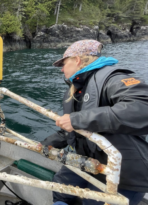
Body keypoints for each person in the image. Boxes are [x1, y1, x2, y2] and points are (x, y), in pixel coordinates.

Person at [41, 39, 148, 205]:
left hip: (123, 172)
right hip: (89, 159)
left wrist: (77, 119)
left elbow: (142, 107)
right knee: (61, 189)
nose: (62, 69)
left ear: (76, 60)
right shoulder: (77, 89)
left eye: (63, 63)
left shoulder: (113, 78)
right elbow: (75, 129)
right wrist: (44, 145)